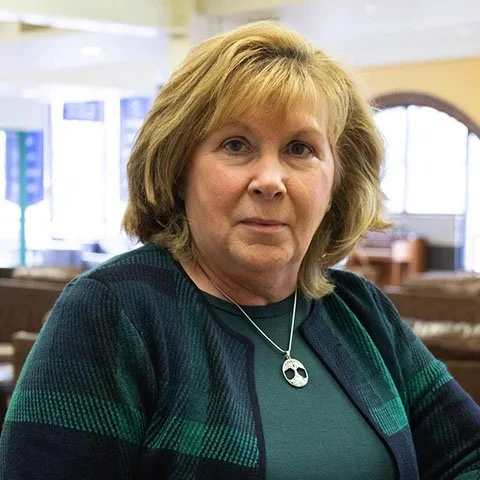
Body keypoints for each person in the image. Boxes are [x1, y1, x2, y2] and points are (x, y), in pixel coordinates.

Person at [0, 21, 479, 480]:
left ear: (337, 182)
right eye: (236, 145)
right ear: (179, 169)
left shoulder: (360, 310)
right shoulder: (110, 312)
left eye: (300, 149)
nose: (270, 180)